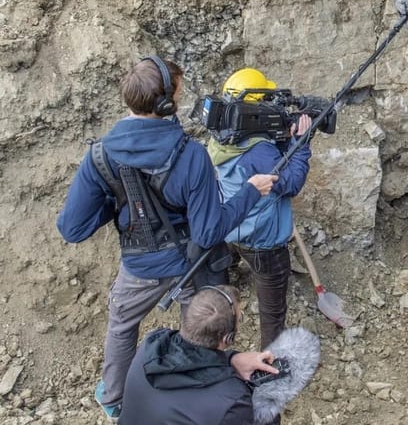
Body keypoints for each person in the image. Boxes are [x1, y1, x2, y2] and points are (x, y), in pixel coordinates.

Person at [56, 57, 278, 421]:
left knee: (123, 326)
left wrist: (120, 201)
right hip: (189, 265)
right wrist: (251, 192)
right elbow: (208, 231)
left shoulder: (99, 155)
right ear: (166, 104)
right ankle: (198, 402)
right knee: (197, 335)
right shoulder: (191, 155)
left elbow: (72, 228)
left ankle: (113, 398)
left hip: (139, 265)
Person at [207, 68, 312, 350]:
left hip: (231, 227)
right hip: (263, 241)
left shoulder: (221, 136)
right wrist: (300, 145)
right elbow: (289, 183)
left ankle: (217, 346)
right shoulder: (259, 151)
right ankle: (268, 365)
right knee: (272, 313)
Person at [119, 285, 279, 424]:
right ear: (227, 338)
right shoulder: (231, 401)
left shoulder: (153, 344)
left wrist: (231, 359)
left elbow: (188, 360)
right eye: (240, 319)